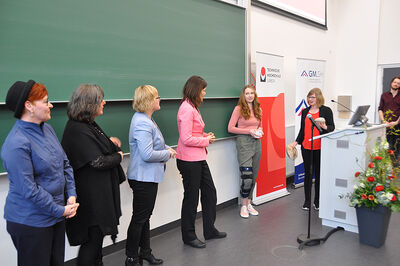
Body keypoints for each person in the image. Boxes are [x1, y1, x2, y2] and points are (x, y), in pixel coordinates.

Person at [1, 80, 78, 266]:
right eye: (45, 101)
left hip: (57, 215)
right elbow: (29, 189)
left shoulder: (48, 129)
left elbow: (65, 164)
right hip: (31, 222)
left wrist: (71, 195)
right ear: (29, 106)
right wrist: (60, 210)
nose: (51, 105)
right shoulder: (16, 143)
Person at [61, 84, 126, 266]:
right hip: (91, 200)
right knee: (92, 242)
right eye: (101, 100)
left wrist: (110, 146)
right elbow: (98, 161)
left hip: (97, 196)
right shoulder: (77, 129)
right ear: (89, 103)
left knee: (96, 241)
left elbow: (100, 149)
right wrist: (118, 156)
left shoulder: (88, 125)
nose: (104, 102)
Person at [125, 85, 176, 266]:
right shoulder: (142, 122)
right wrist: (167, 154)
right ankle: (131, 257)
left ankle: (145, 252)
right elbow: (147, 155)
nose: (159, 99)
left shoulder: (147, 119)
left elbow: (153, 145)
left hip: (146, 177)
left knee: (144, 217)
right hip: (142, 178)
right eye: (156, 97)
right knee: (140, 218)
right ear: (148, 101)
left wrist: (164, 149)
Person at [176, 75, 227, 249]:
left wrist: (205, 136)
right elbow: (186, 138)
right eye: (203, 89)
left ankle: (209, 230)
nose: (205, 92)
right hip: (189, 160)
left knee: (209, 193)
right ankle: (188, 236)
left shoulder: (193, 107)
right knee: (191, 198)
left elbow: (193, 134)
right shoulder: (186, 109)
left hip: (198, 158)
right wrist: (206, 141)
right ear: (196, 90)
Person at [289, 88, 334, 211]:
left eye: (313, 97)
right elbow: (303, 130)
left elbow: (331, 128)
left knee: (319, 174)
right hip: (306, 147)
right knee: (308, 174)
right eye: (309, 97)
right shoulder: (305, 112)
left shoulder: (326, 110)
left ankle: (317, 201)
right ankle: (307, 201)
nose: (310, 99)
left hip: (320, 147)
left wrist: (325, 127)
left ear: (318, 97)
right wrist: (296, 141)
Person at [228, 84, 263, 218]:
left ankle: (249, 203)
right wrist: (249, 131)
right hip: (243, 144)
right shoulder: (238, 109)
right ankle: (243, 205)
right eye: (247, 93)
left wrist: (259, 132)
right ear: (243, 95)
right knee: (246, 177)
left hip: (256, 143)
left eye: (252, 93)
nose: (250, 96)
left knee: (253, 177)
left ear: (255, 95)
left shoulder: (259, 109)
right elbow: (231, 128)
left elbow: (261, 126)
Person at [378, 76, 400, 158]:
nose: (396, 84)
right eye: (395, 82)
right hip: (386, 126)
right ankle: (388, 169)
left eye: (398, 83)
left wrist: (397, 122)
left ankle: (396, 168)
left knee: (397, 150)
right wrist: (383, 121)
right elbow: (380, 109)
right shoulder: (384, 95)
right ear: (391, 83)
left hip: (398, 126)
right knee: (387, 148)